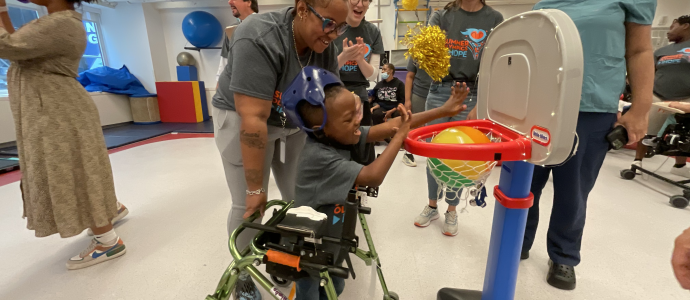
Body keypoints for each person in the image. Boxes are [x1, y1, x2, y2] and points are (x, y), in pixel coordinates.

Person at [284, 67, 469, 299]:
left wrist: (442, 110)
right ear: (319, 128)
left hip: (331, 235)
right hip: (308, 246)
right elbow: (373, 176)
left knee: (336, 287)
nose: (356, 122)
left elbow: (394, 125)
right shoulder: (318, 156)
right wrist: (400, 136)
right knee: (310, 291)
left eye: (356, 113)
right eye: (348, 118)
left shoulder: (339, 134)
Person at [513, 0, 655, 291]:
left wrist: (641, 108)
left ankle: (564, 255)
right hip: (537, 105)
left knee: (573, 189)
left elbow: (640, 50)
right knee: (524, 184)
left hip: (590, 106)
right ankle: (517, 241)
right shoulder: (544, 3)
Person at [211, 0, 349, 298]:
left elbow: (332, 106)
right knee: (250, 205)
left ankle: (285, 260)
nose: (334, 34)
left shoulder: (327, 51)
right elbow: (253, 118)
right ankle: (243, 275)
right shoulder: (258, 35)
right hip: (242, 118)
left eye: (341, 26)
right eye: (329, 24)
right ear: (302, 8)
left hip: (290, 121)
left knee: (300, 199)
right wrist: (253, 188)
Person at [0, 0, 129, 270]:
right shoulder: (55, 22)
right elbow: (15, 47)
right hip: (53, 109)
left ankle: (107, 241)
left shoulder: (60, 23)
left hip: (57, 112)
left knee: (73, 169)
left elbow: (6, 45)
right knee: (81, 166)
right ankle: (108, 209)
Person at [413, 0, 503, 237]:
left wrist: (482, 102)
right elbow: (425, 54)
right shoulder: (442, 16)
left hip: (473, 93)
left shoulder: (494, 19)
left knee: (459, 155)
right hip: (441, 89)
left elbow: (497, 65)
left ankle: (451, 210)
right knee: (434, 153)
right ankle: (432, 205)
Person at [633, 15, 690, 176]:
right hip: (658, 95)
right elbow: (649, 73)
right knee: (646, 128)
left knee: (682, 131)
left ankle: (679, 166)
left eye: (672, 27)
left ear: (685, 26)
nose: (668, 32)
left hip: (686, 99)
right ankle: (637, 160)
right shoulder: (661, 51)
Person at [335, 0, 384, 127]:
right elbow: (323, 69)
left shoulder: (373, 32)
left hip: (361, 98)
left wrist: (360, 60)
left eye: (365, 0)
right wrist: (344, 57)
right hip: (333, 95)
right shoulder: (332, 27)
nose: (360, 4)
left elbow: (373, 75)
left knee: (362, 142)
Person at [216, 0, 259, 83]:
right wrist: (219, 81)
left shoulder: (269, 26)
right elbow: (225, 59)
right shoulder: (231, 30)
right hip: (239, 84)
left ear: (249, 2)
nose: (229, 2)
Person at [400, 58, 433, 167]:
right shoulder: (417, 50)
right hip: (419, 93)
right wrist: (407, 99)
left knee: (436, 125)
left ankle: (435, 154)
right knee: (413, 123)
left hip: (437, 93)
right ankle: (408, 153)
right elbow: (409, 76)